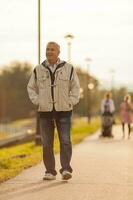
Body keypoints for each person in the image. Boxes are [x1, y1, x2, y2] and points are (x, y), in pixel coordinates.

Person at [27, 42, 80, 180]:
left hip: (64, 110)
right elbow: (30, 87)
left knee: (65, 141)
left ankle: (66, 169)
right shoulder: (38, 69)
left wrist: (71, 101)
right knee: (47, 143)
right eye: (47, 49)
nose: (49, 52)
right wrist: (38, 101)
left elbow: (75, 87)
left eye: (52, 49)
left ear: (58, 52)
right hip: (45, 111)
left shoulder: (69, 68)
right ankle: (50, 171)